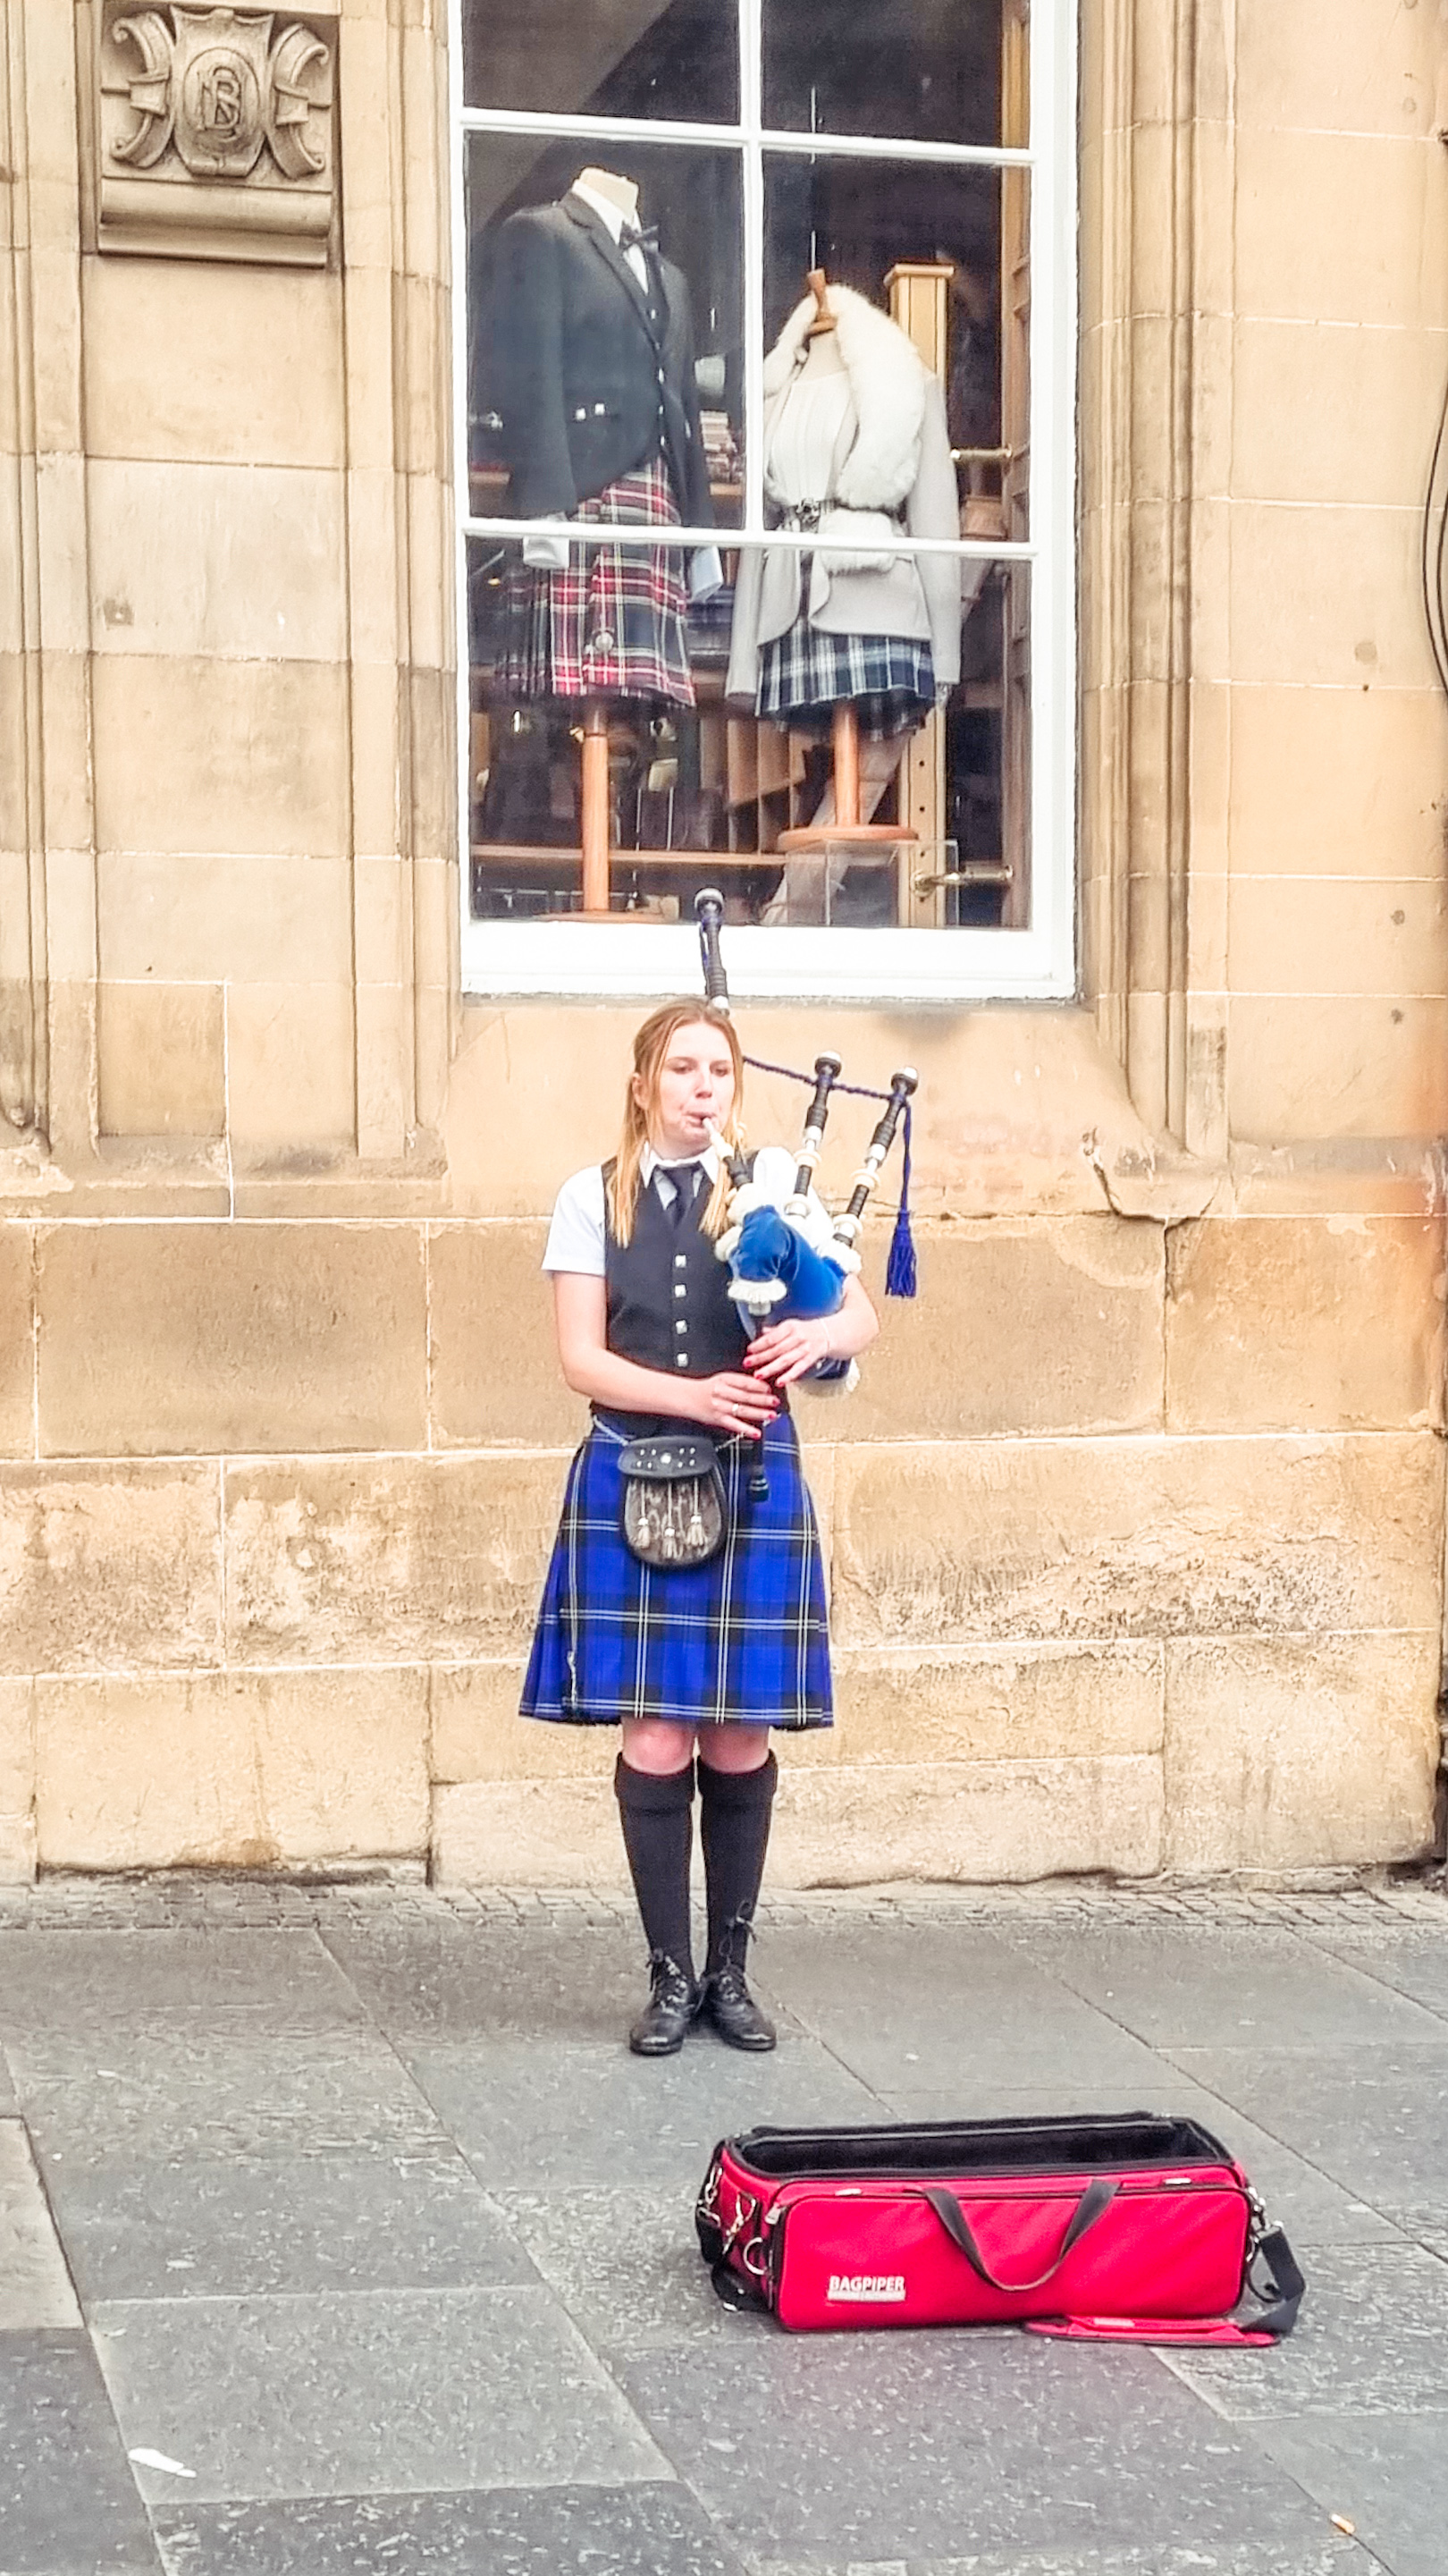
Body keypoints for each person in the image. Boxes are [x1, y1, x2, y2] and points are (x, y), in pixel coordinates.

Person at [522, 1000, 879, 2056]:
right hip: (631, 1471)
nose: (701, 1086)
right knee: (655, 1733)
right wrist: (696, 1397)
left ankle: (730, 1973)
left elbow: (859, 1315)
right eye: (681, 1068)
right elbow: (581, 1359)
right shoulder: (591, 1198)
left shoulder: (770, 1190)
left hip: (752, 1481)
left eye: (717, 1069)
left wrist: (817, 1337)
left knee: (736, 1734)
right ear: (643, 1085)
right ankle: (669, 1978)